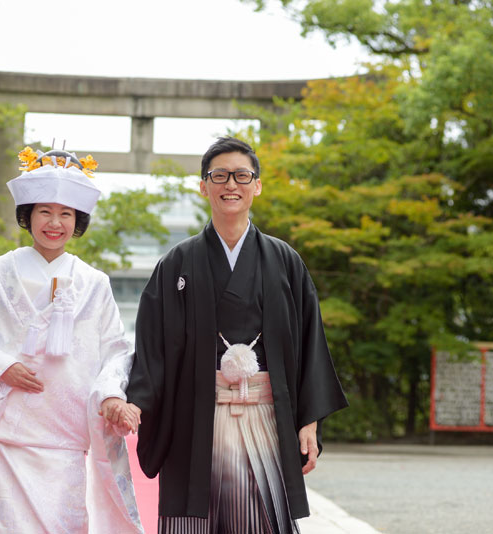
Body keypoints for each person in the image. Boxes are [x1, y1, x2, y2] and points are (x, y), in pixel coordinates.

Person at [126, 137, 348, 533]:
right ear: (203, 185)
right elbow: (152, 345)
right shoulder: (177, 262)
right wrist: (138, 402)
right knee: (193, 520)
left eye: (242, 175)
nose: (231, 184)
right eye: (220, 175)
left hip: (266, 413)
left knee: (261, 519)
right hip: (195, 416)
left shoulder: (285, 261)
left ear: (257, 185)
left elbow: (311, 342)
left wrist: (308, 421)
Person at [0, 146, 143, 534]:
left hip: (62, 441)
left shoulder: (95, 285)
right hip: (0, 436)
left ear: (77, 221)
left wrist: (112, 394)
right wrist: (2, 367)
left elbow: (116, 351)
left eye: (66, 214)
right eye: (45, 211)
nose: (54, 222)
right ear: (27, 215)